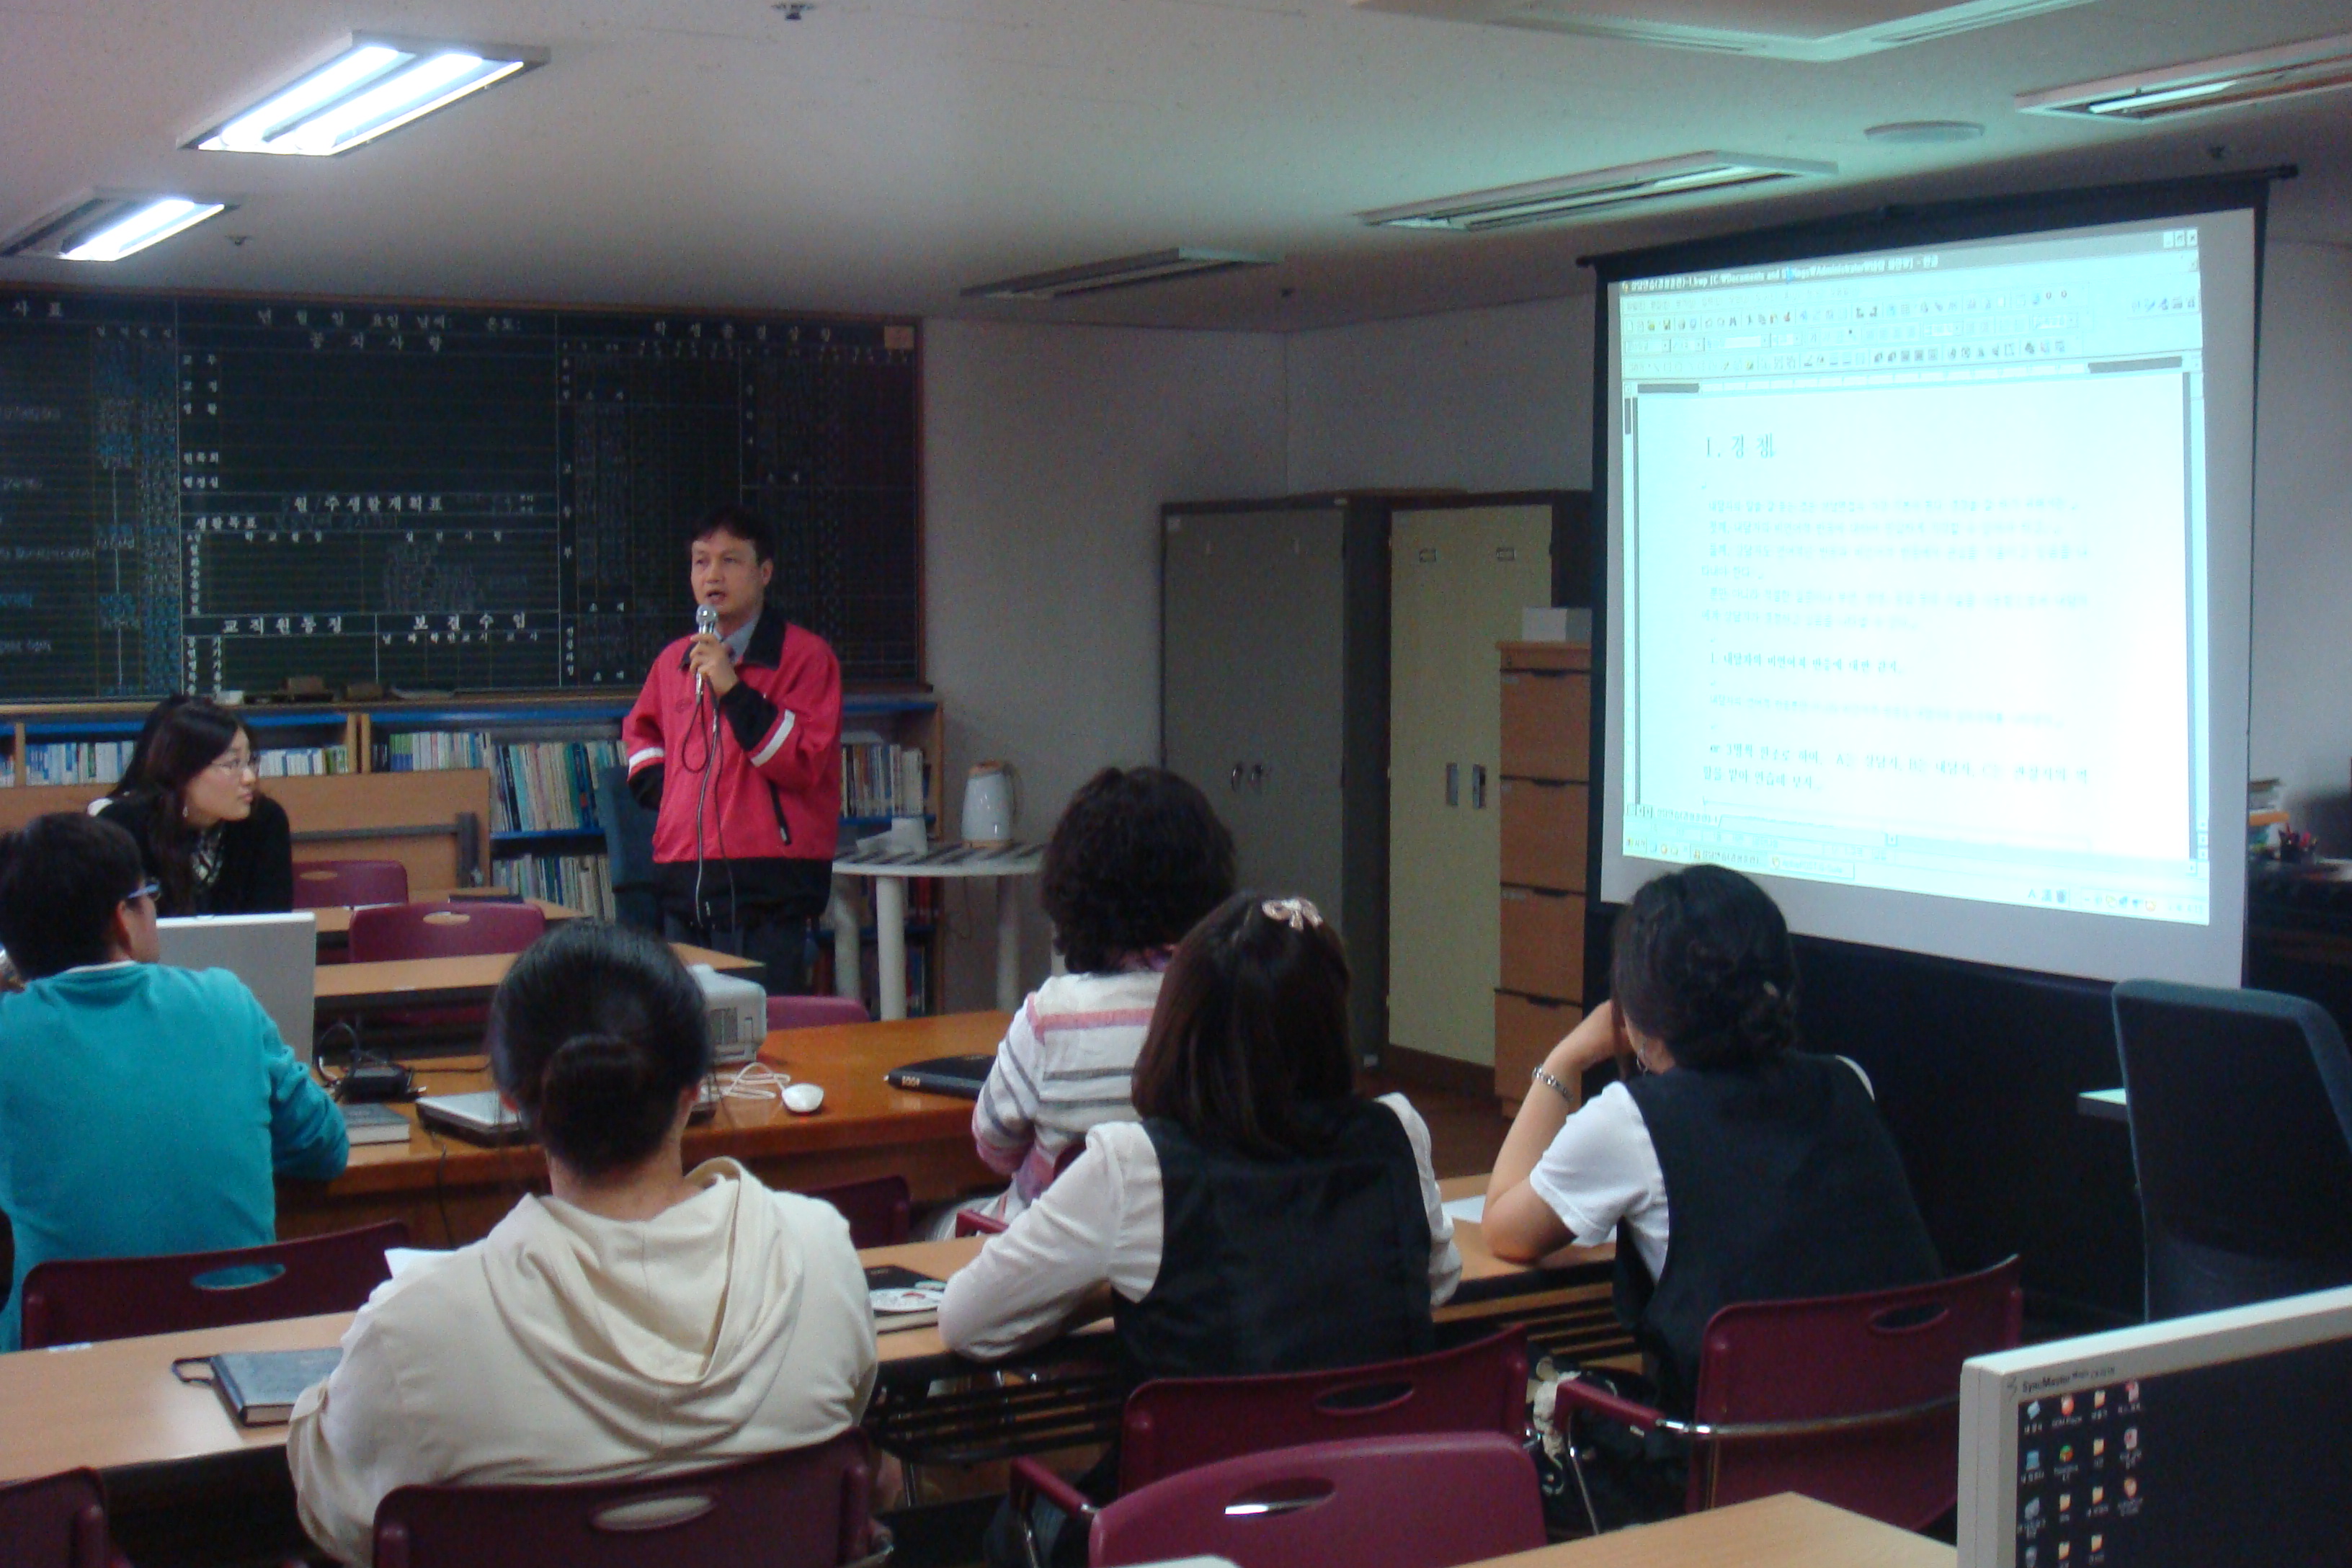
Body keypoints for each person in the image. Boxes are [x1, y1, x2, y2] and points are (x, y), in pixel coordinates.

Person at [288, 921, 878, 1567]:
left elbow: (334, 1512)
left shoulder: (414, 1332)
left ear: (510, 1101)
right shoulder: (820, 1254)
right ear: (693, 1090)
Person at [941, 892, 1460, 1566]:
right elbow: (1437, 1280)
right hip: (1370, 1526)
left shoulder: (1135, 1169)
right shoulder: (1395, 1131)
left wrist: (1111, 1292)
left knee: (996, 1535)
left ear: (1181, 1025)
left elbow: (965, 1320)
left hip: (1192, 1540)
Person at [1482, 864, 1940, 1520]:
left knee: (1519, 1372)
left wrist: (1563, 1059)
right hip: (1891, 1470)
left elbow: (1504, 1226)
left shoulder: (1634, 1119)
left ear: (1639, 1006)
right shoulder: (1847, 1083)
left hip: (1723, 1477)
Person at [0, 813, 347, 1351]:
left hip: (64, 1360)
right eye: (149, 894)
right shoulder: (226, 1000)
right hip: (239, 1352)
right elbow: (326, 1147)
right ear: (123, 919)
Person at [957, 766, 1235, 1232]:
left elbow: (994, 1149)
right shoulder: (1232, 1007)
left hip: (1055, 1270)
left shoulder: (1051, 1018)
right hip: (1190, 1258)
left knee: (931, 1225)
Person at [624, 505, 842, 993]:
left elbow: (803, 762)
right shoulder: (673, 662)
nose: (712, 576)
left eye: (730, 561)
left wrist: (734, 690)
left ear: (764, 572)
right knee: (689, 1040)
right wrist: (675, 796)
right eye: (701, 562)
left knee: (770, 1045)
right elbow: (641, 737)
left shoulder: (806, 659)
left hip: (769, 894)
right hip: (684, 887)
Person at [95, 697, 293, 916]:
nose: (249, 778)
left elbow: (273, 926)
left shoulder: (264, 820)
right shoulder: (123, 825)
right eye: (232, 764)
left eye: (250, 761)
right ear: (183, 771)